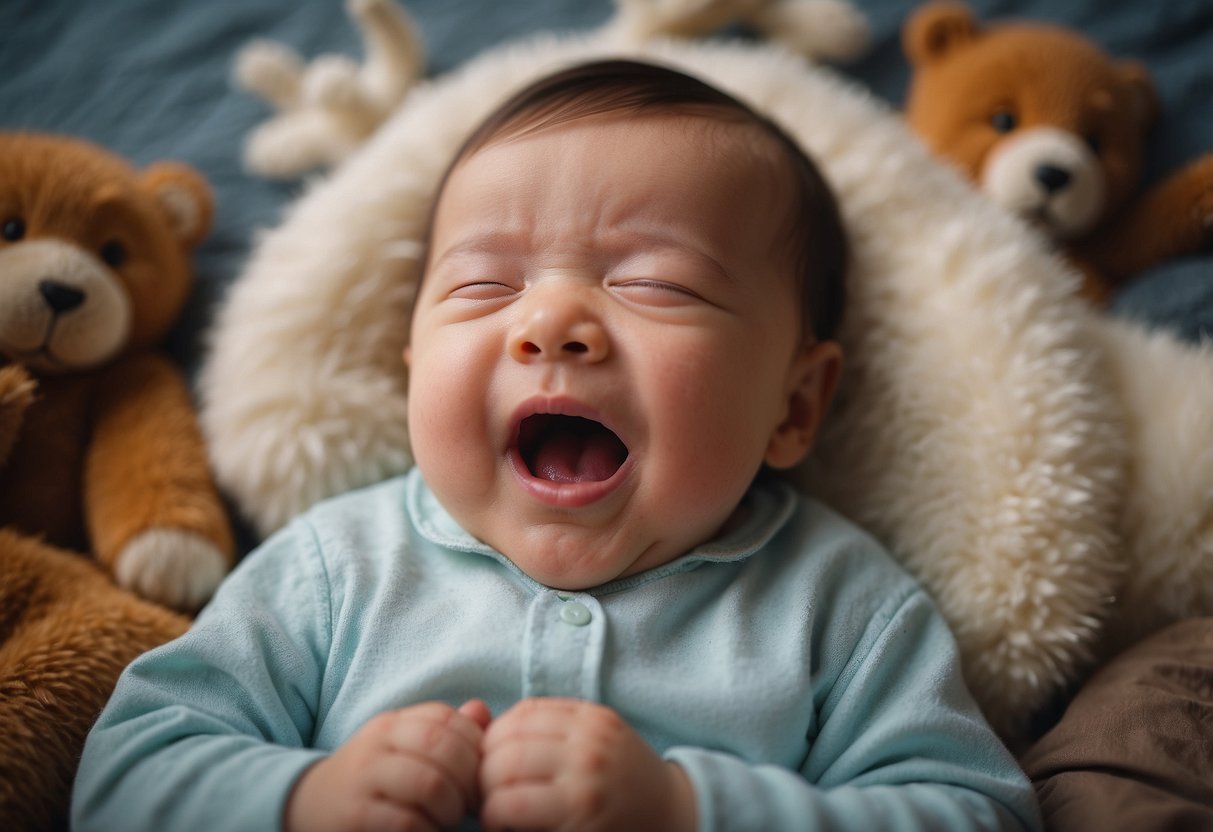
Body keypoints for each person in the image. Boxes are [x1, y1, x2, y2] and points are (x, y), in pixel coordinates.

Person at [72, 60, 1040, 832]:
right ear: (411, 369)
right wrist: (301, 800)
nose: (551, 324)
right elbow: (123, 773)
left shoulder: (837, 606)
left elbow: (978, 810)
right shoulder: (336, 572)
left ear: (793, 406)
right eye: (486, 286)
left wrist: (688, 809)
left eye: (656, 283)